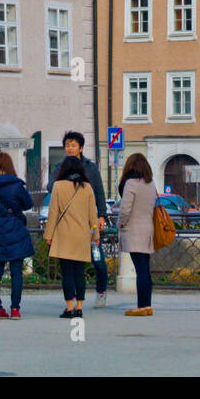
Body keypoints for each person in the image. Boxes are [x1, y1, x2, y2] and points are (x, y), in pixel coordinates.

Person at [50, 131, 109, 307]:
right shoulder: (59, 166)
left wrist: (102, 215)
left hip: (87, 221)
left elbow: (99, 193)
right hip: (67, 223)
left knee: (97, 259)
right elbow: (50, 187)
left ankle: (101, 290)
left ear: (81, 148)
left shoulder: (90, 167)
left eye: (73, 145)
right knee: (71, 266)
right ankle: (74, 299)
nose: (69, 148)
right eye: (67, 145)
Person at [44, 154, 98, 319]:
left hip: (64, 235)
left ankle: (69, 308)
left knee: (67, 273)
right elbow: (92, 214)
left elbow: (53, 212)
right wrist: (95, 234)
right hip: (82, 236)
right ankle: (80, 307)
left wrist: (49, 235)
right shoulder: (87, 187)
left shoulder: (58, 186)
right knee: (79, 272)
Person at [0, 152, 33, 319]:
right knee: (16, 271)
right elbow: (28, 204)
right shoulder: (17, 186)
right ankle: (15, 309)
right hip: (15, 227)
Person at [117, 153, 158, 317]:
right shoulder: (150, 184)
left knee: (140, 269)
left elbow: (125, 208)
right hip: (148, 229)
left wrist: (119, 223)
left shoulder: (131, 183)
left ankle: (142, 306)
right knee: (145, 270)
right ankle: (147, 304)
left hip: (134, 230)